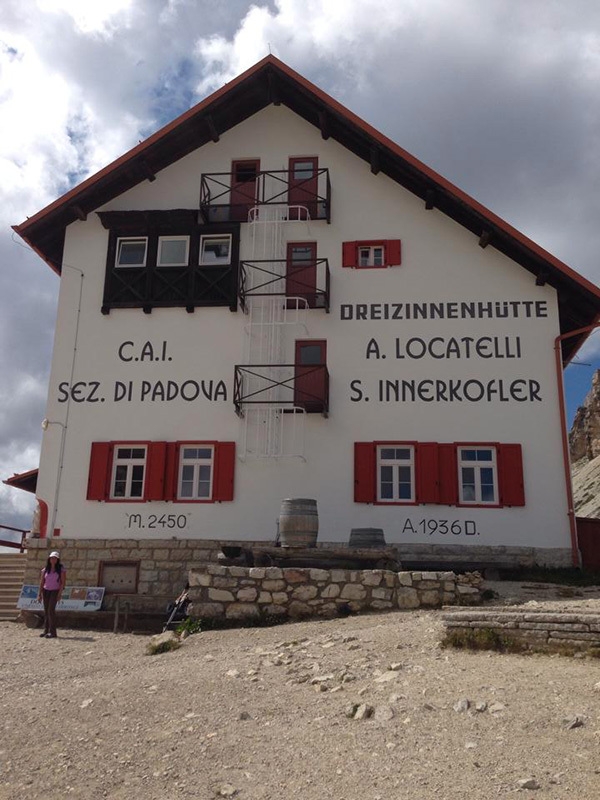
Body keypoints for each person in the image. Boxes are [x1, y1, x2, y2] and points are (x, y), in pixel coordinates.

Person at [37, 550, 66, 638]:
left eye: (55, 558)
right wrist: (39, 594)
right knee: (46, 611)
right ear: (49, 559)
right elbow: (42, 582)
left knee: (51, 610)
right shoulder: (45, 570)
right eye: (52, 558)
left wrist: (59, 594)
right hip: (46, 590)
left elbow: (63, 583)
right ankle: (46, 630)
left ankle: (53, 632)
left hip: (55, 591)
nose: (53, 560)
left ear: (57, 560)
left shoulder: (61, 570)